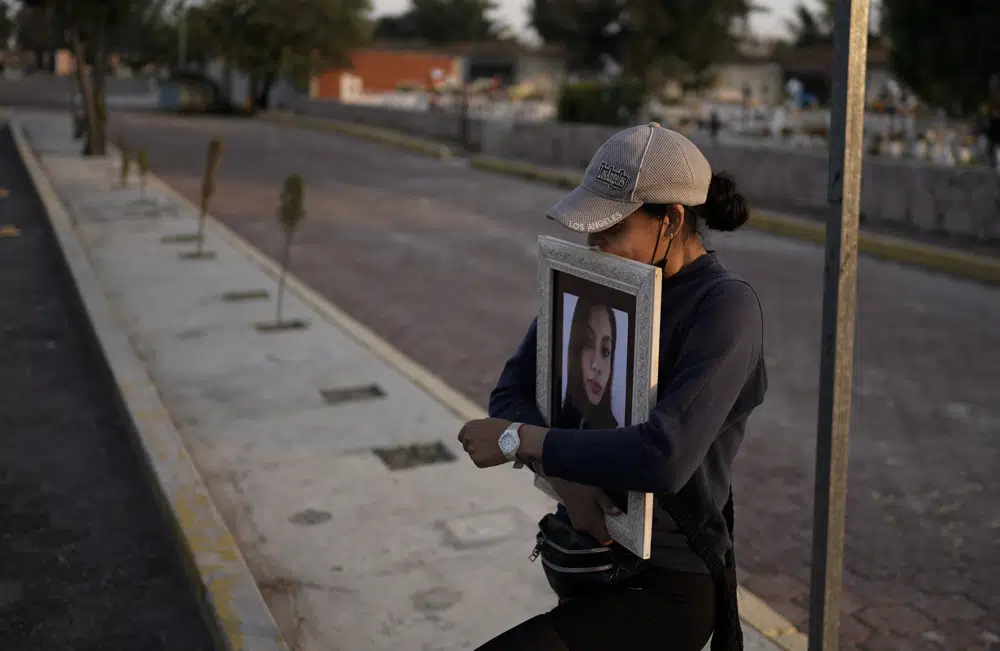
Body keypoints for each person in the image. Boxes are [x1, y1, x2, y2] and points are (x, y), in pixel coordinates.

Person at [458, 122, 767, 651]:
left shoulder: (723, 307)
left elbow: (663, 456)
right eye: (589, 229)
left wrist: (523, 442)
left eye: (610, 228)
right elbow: (513, 392)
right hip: (587, 560)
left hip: (665, 585)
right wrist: (573, 488)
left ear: (670, 220)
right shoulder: (594, 280)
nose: (593, 243)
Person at [561, 299, 619, 431]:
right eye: (588, 344)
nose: (596, 366)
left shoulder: (618, 437)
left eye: (605, 351)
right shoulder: (552, 417)